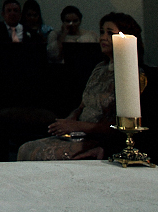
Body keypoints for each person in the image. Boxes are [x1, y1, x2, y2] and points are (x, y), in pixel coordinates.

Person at [17, 13, 141, 160]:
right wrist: (70, 120)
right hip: (80, 134)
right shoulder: (99, 69)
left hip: (100, 139)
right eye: (102, 32)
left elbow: (118, 124)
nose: (103, 38)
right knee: (25, 148)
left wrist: (78, 126)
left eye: (110, 33)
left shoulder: (131, 75)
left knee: (39, 155)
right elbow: (82, 105)